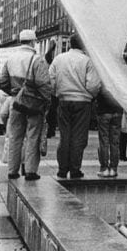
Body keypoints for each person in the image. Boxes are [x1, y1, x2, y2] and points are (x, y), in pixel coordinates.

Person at [0, 29, 53, 181]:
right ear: (33, 42)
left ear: (20, 41)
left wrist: (15, 93)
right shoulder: (37, 60)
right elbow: (44, 84)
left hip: (16, 103)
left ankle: (12, 170)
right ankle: (30, 171)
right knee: (32, 136)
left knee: (15, 137)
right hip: (34, 104)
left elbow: (3, 81)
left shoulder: (10, 59)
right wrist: (47, 101)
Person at [49, 32, 101, 179]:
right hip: (82, 102)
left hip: (63, 100)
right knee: (79, 137)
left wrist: (57, 92)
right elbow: (93, 85)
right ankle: (75, 169)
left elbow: (50, 80)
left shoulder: (59, 59)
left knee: (64, 136)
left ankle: (62, 169)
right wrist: (90, 95)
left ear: (70, 44)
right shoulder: (88, 61)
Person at [95, 89, 123, 178]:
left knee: (104, 141)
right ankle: (114, 168)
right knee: (115, 142)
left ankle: (104, 168)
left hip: (104, 110)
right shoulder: (119, 80)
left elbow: (95, 89)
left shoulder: (103, 80)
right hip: (118, 110)